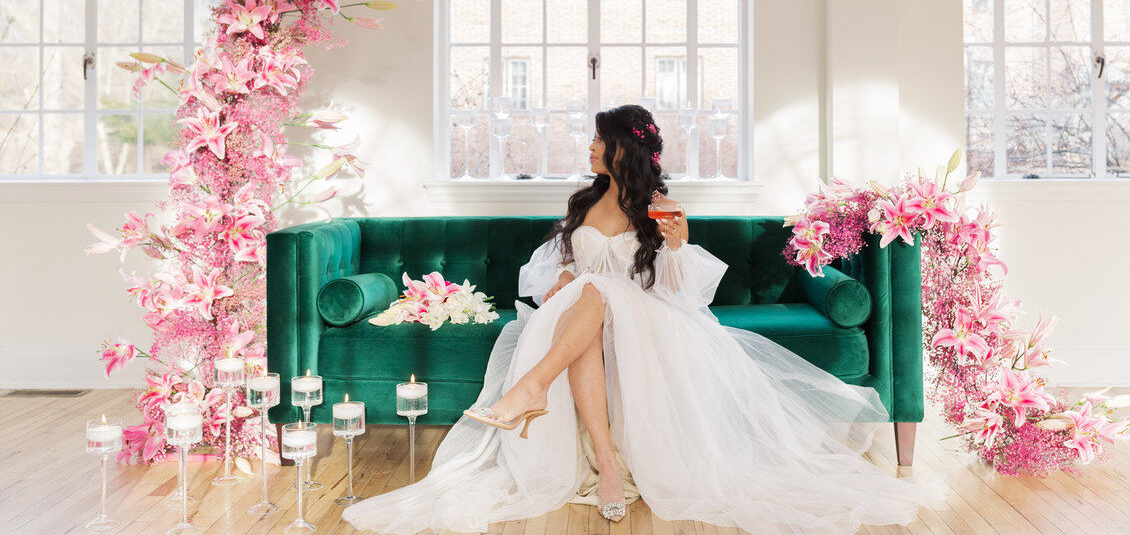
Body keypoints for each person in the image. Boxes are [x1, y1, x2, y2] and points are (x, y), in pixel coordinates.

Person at [343, 104, 946, 535]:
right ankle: (604, 459)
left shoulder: (659, 208)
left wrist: (679, 245)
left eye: (598, 139)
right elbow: (548, 265)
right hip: (580, 314)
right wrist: (556, 278)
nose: (589, 147)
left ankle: (533, 392)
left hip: (645, 318)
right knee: (587, 299)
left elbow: (681, 290)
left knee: (601, 296)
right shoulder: (582, 202)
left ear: (622, 148)